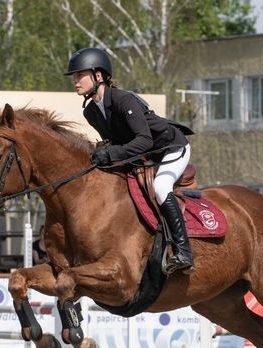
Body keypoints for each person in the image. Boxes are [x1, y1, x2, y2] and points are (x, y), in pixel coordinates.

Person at [65, 47, 196, 274]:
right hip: (144, 155)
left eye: (80, 75)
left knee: (161, 186)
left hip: (171, 148)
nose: (75, 81)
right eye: (74, 76)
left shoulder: (123, 100)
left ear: (98, 75)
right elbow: (116, 142)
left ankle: (184, 252)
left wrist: (110, 154)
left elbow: (144, 140)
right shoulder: (91, 112)